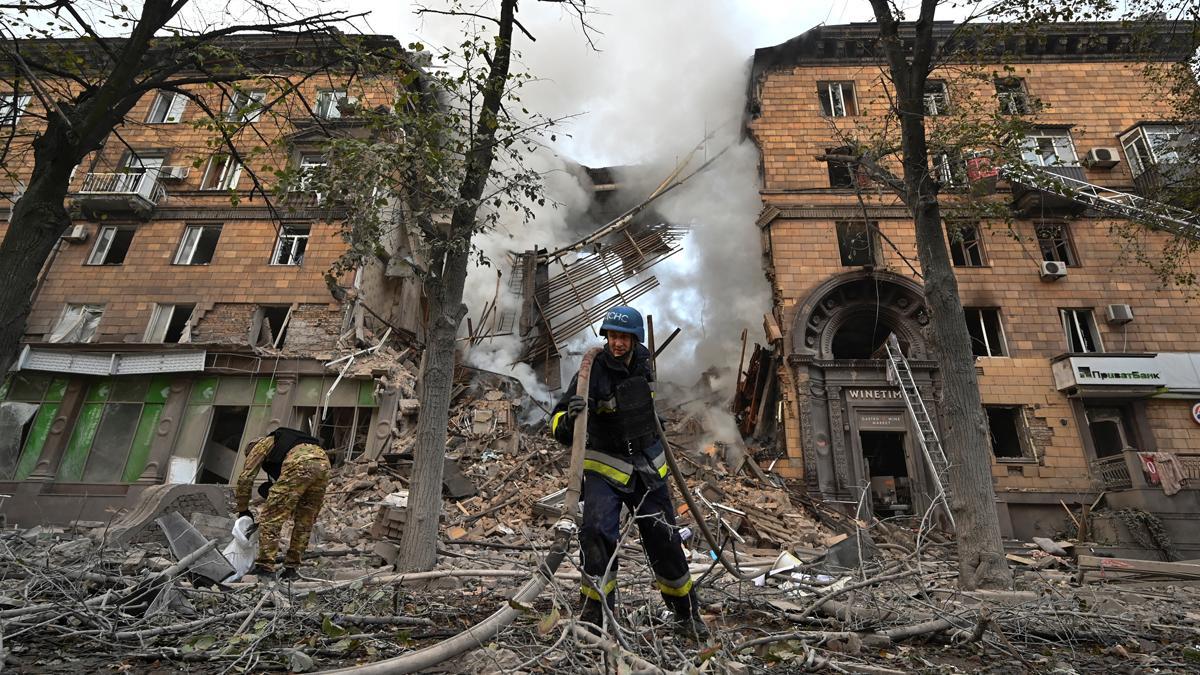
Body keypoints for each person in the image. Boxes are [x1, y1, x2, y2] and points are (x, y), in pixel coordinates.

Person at [550, 305, 708, 639]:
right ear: (605, 336)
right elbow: (558, 425)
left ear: (635, 340)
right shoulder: (592, 371)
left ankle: (686, 613)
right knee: (596, 534)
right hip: (604, 469)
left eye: (624, 337)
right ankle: (596, 615)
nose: (618, 343)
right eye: (613, 336)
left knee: (665, 540)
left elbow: (646, 411)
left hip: (648, 471)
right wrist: (570, 417)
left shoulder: (644, 366)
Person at [234, 426, 331, 580]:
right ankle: (292, 569)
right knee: (304, 521)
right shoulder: (286, 444)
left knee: (270, 518)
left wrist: (243, 509)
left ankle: (265, 567)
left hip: (300, 462)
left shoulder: (263, 443)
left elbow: (246, 478)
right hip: (323, 463)